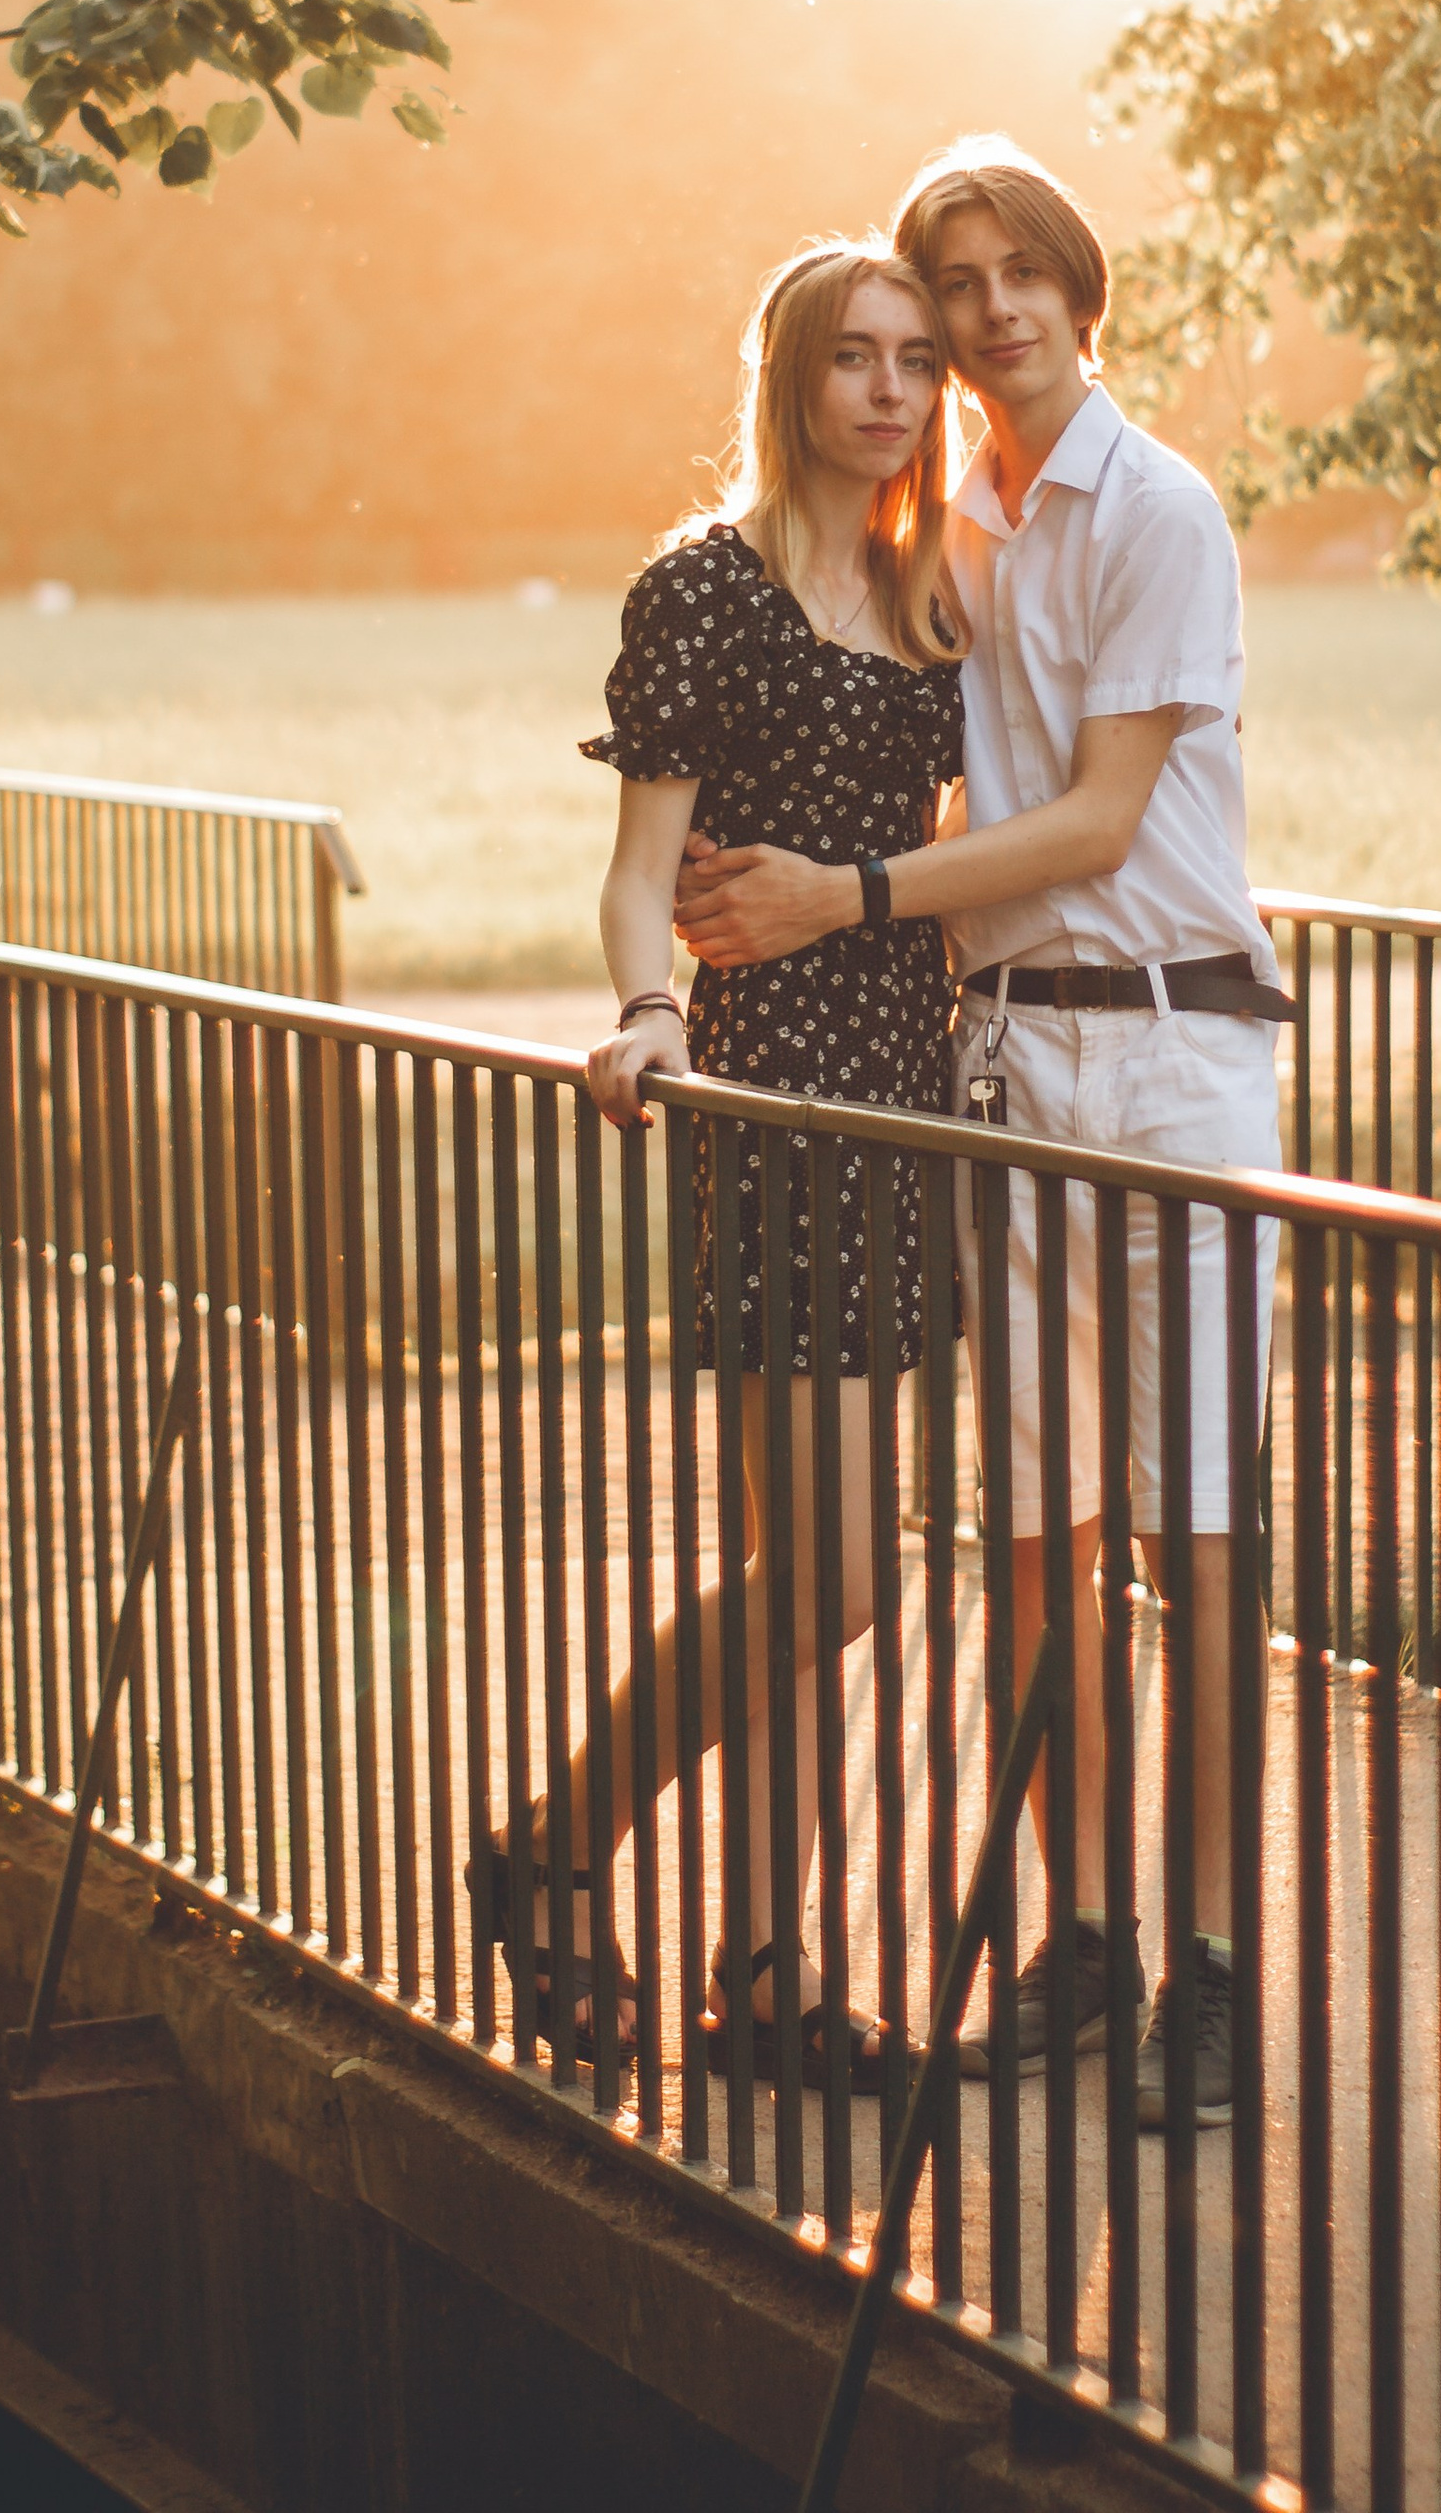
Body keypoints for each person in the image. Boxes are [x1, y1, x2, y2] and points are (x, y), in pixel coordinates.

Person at [678, 138, 1289, 2131]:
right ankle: (1081, 1933)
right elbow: (815, 665)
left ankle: (1203, 1970)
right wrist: (701, 894)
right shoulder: (952, 524)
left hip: (1177, 1065)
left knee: (1193, 1541)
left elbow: (1105, 823)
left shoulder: (1156, 507)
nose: (990, 304)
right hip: (1005, 1069)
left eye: (1022, 267)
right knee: (1037, 1546)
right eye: (956, 277)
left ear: (1076, 292)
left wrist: (838, 896)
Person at [471, 234, 966, 2080]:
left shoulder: (932, 592)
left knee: (794, 1583)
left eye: (918, 357)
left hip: (900, 1095)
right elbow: (638, 866)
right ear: (789, 376)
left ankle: (766, 1979)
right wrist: (648, 1015)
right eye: (855, 355)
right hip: (766, 1094)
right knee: (837, 1577)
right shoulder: (705, 589)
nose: (892, 388)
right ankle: (550, 1846)